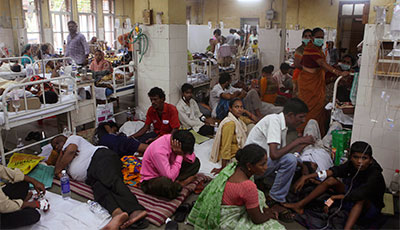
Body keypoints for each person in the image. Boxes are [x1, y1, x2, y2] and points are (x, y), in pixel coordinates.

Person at [52, 135, 147, 230]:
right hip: (90, 176)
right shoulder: (64, 161)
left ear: (65, 138)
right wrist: (61, 155)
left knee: (111, 181)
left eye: (57, 142)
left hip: (99, 158)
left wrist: (64, 157)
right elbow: (58, 173)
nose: (56, 147)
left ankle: (136, 209)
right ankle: (117, 214)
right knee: (99, 190)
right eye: (54, 147)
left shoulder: (72, 138)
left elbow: (71, 151)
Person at [284, 141, 386, 230]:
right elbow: (333, 171)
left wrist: (334, 197)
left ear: (370, 160)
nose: (360, 161)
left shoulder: (375, 174)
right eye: (356, 157)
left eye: (364, 158)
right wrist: (307, 177)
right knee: (331, 180)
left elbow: (359, 195)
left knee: (360, 200)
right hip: (351, 193)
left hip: (368, 206)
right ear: (351, 157)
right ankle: (299, 205)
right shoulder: (351, 164)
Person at [245, 98, 315, 222]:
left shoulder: (282, 125)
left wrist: (301, 156)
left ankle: (274, 196)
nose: (303, 121)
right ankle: (276, 199)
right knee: (290, 160)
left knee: (292, 160)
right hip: (252, 169)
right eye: (301, 117)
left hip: (259, 165)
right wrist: (299, 141)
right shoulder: (274, 121)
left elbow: (282, 153)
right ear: (290, 115)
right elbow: (274, 155)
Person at [187, 144, 285, 230]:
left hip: (219, 211)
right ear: (249, 166)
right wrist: (270, 214)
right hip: (226, 221)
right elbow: (257, 219)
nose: (266, 167)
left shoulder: (232, 168)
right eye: (262, 164)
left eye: (266, 163)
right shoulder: (247, 186)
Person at [297, 27, 349, 136]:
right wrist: (338, 72)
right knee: (308, 109)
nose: (320, 39)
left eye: (322, 37)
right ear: (312, 38)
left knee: (319, 109)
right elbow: (321, 63)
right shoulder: (310, 48)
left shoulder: (319, 49)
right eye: (318, 37)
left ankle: (317, 134)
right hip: (308, 84)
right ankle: (304, 133)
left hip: (316, 82)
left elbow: (322, 67)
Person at [140, 130, 200, 200]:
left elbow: (191, 157)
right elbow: (170, 177)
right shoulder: (159, 151)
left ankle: (176, 183)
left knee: (196, 163)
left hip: (170, 169)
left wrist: (181, 153)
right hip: (153, 179)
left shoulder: (174, 141)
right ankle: (181, 183)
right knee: (167, 184)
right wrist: (180, 155)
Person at [210, 98, 257, 174]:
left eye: (241, 107)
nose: (239, 110)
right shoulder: (230, 124)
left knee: (251, 126)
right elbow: (226, 146)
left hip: (240, 152)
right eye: (236, 107)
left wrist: (247, 112)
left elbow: (256, 121)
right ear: (230, 108)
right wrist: (223, 167)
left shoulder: (239, 119)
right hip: (232, 156)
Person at [293, 29, 312, 97]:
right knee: (298, 97)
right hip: (299, 76)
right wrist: (311, 68)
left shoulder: (314, 49)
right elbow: (297, 64)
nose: (308, 38)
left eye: (310, 36)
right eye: (305, 36)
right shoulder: (300, 50)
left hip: (310, 77)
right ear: (302, 37)